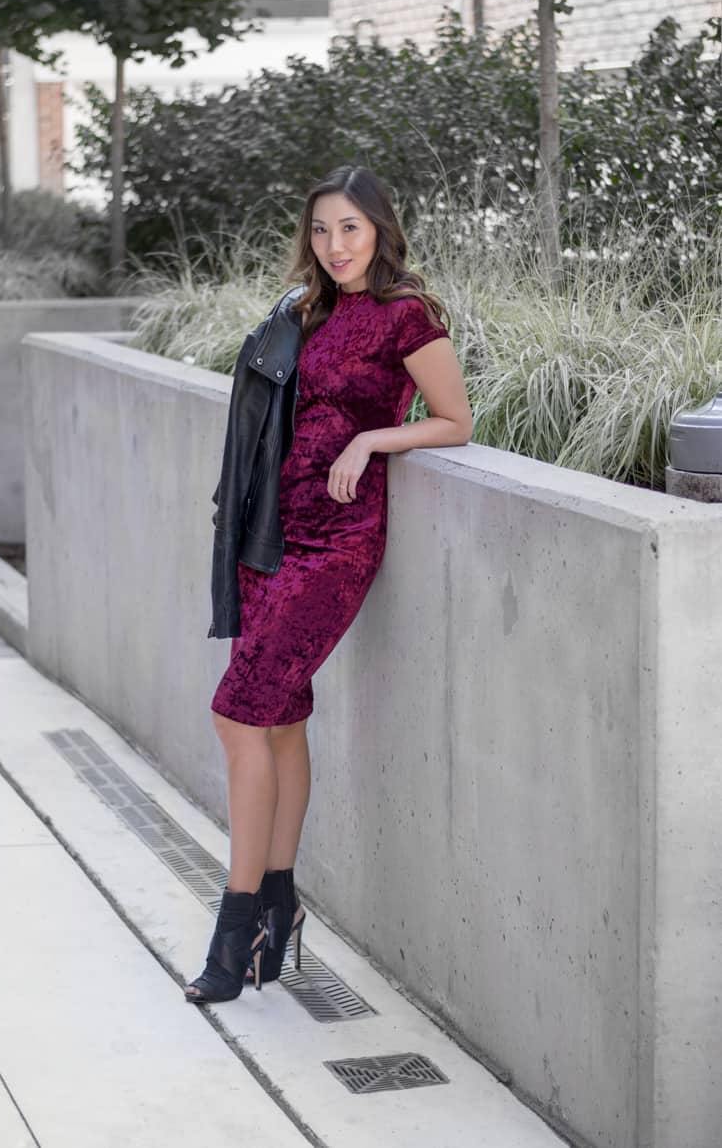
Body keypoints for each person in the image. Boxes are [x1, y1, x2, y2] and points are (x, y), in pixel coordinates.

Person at [184, 164, 473, 1004]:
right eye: (320, 230)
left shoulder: (405, 314)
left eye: (350, 228)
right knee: (277, 720)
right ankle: (279, 902)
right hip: (269, 539)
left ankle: (236, 927)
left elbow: (456, 422)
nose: (334, 245)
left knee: (236, 713)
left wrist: (373, 441)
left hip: (337, 543)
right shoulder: (301, 311)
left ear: (379, 230)